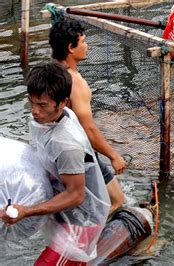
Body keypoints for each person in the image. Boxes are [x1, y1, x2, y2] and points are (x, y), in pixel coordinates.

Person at [0, 62, 110, 264]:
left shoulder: (66, 145)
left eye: (42, 105)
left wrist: (28, 211)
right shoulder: (52, 118)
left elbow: (76, 196)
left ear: (62, 103)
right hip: (61, 212)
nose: (34, 111)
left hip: (80, 221)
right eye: (32, 102)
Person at [49, 17, 125, 215]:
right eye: (83, 42)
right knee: (116, 201)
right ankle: (90, 241)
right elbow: (88, 129)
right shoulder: (74, 82)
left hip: (56, 148)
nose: (87, 46)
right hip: (80, 150)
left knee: (79, 199)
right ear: (70, 47)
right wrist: (114, 155)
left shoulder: (50, 72)